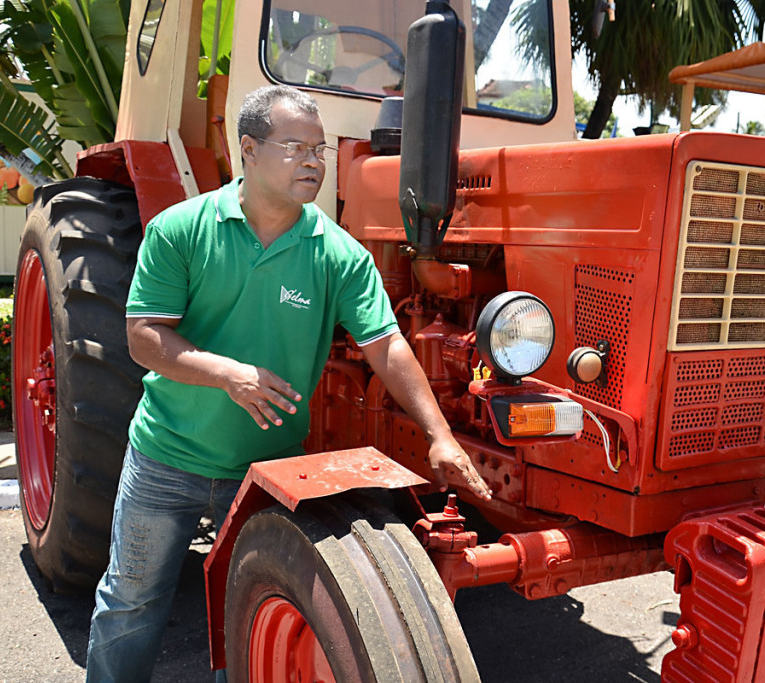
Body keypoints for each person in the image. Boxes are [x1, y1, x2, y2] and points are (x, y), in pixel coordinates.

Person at [86, 84, 492, 682]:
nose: (314, 161)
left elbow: (386, 344)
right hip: (166, 456)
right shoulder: (181, 229)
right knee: (131, 603)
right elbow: (144, 337)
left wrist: (438, 434)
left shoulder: (336, 254)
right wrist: (229, 374)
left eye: (320, 149)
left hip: (262, 472)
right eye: (295, 147)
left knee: (244, 612)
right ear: (248, 149)